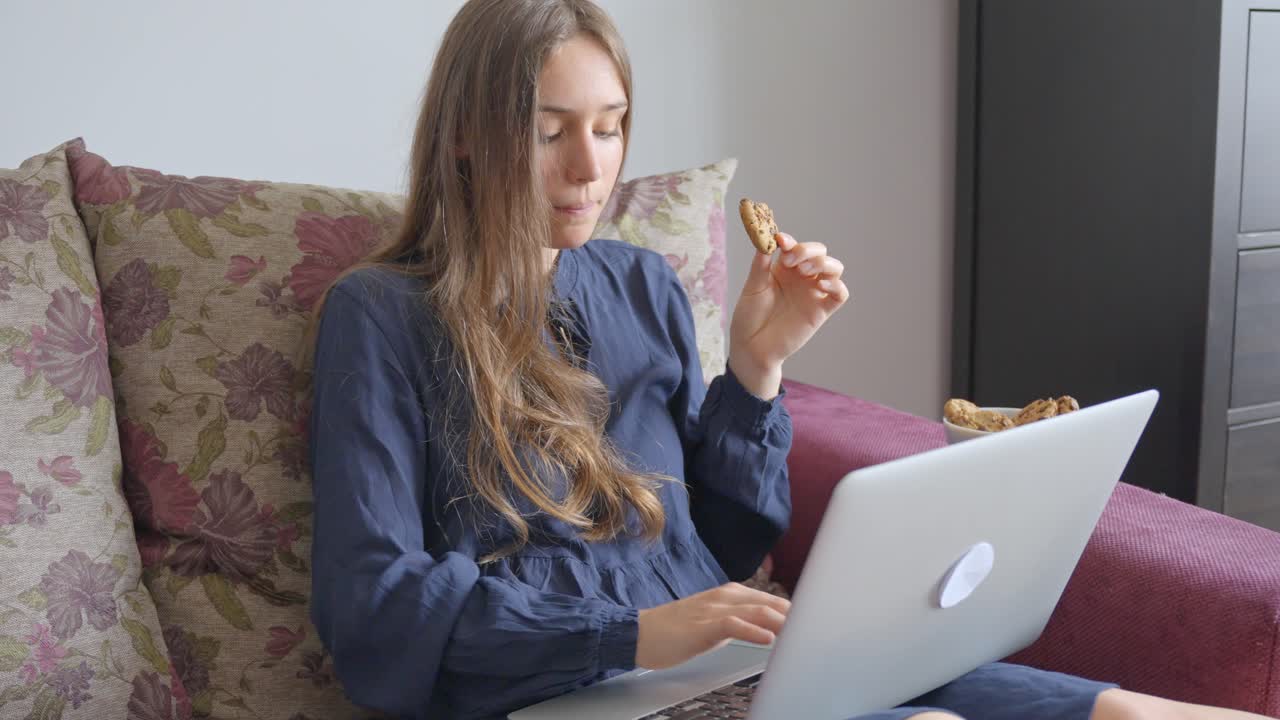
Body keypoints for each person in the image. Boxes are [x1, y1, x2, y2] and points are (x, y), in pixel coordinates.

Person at [305, 2, 1270, 719]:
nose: (590, 167)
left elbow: (718, 546)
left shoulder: (641, 286)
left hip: (730, 663)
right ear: (468, 136)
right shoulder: (381, 316)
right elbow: (376, 608)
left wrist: (757, 367)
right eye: (548, 130)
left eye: (610, 126)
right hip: (570, 690)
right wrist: (638, 633)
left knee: (1130, 713)